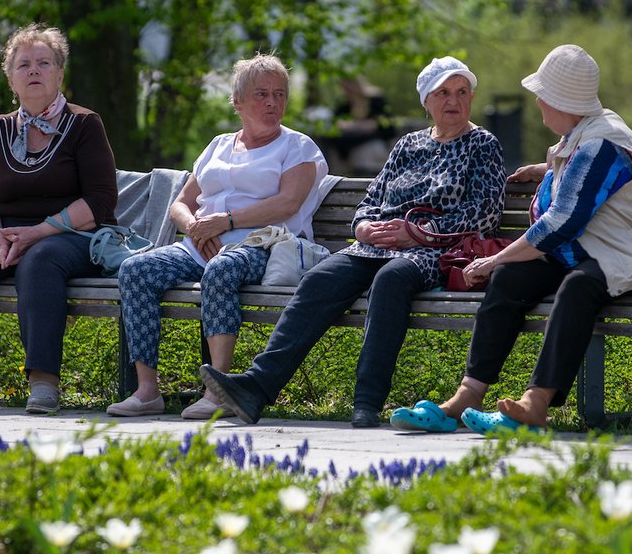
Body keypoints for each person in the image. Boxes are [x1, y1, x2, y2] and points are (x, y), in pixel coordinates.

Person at [390, 44, 632, 434]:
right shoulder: (583, 131)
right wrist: (541, 168)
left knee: (576, 287)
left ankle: (536, 403)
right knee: (511, 279)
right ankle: (468, 394)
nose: (537, 102)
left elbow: (560, 224)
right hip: (588, 252)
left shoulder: (602, 145)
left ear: (559, 101)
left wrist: (494, 259)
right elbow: (566, 157)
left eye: (542, 95)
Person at [199, 56, 507, 428]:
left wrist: (418, 233)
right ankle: (256, 387)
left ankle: (366, 402)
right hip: (374, 245)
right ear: (426, 101)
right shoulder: (407, 145)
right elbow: (370, 202)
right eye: (443, 93)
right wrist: (362, 228)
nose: (453, 101)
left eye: (461, 92)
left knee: (390, 279)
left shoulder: (482, 144)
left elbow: (485, 213)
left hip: (435, 250)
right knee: (320, 279)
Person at [107, 54, 329, 420]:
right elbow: (181, 202)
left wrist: (225, 222)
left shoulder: (297, 147)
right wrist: (195, 227)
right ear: (238, 102)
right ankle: (147, 391)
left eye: (279, 94)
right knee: (136, 270)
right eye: (262, 94)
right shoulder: (219, 145)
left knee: (222, 270)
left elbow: (288, 204)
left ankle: (219, 390)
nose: (273, 103)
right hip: (200, 244)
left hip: (262, 243)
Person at [0, 23, 118, 414]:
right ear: (11, 79)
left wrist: (38, 232)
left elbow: (100, 201)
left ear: (60, 74)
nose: (34, 71)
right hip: (6, 236)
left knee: (40, 258)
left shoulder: (85, 124)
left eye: (44, 63)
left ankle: (44, 383)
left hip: (71, 234)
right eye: (24, 65)